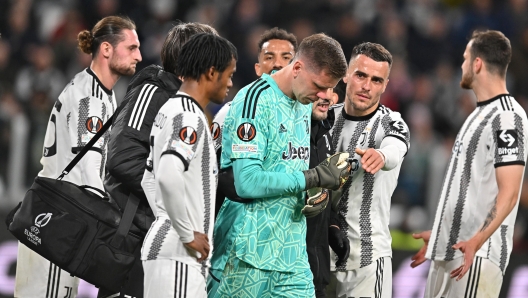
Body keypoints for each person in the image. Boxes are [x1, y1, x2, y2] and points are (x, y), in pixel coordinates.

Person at [213, 33, 350, 298]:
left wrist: (315, 194)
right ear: (297, 68)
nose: (324, 96)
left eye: (329, 89)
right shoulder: (253, 101)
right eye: (319, 86)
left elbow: (288, 168)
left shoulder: (303, 103)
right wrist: (311, 178)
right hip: (248, 253)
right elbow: (247, 181)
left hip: (292, 255)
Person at [14, 16, 141, 298]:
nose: (139, 56)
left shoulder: (96, 91)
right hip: (58, 219)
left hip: (58, 214)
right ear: (107, 49)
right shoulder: (91, 99)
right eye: (131, 48)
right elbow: (89, 171)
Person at [101, 22, 217, 298]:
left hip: (159, 234)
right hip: (135, 237)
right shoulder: (152, 93)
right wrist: (172, 203)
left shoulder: (185, 102)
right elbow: (122, 158)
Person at [411, 30, 528, 298]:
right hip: (452, 249)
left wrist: (477, 240)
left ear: (477, 64)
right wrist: (443, 231)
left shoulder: (507, 117)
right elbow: (471, 189)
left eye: (465, 59)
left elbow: (509, 194)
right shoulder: (478, 114)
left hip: (476, 255)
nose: (461, 65)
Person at [140, 33, 237, 298]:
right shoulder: (189, 118)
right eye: (229, 74)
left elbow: (148, 179)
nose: (230, 83)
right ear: (211, 72)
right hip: (179, 255)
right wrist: (184, 232)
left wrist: (164, 216)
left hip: (166, 249)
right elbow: (167, 176)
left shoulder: (169, 109)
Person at [325, 42, 410, 298]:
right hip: (317, 256)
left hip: (367, 261)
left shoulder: (391, 121)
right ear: (347, 75)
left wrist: (381, 155)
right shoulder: (325, 118)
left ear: (385, 85)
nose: (366, 86)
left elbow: (396, 147)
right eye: (361, 75)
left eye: (376, 80)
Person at [211, 27, 297, 216]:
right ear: (258, 68)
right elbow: (211, 169)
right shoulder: (231, 111)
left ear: (297, 67)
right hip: (241, 222)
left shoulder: (304, 115)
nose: (277, 64)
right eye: (269, 57)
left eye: (286, 57)